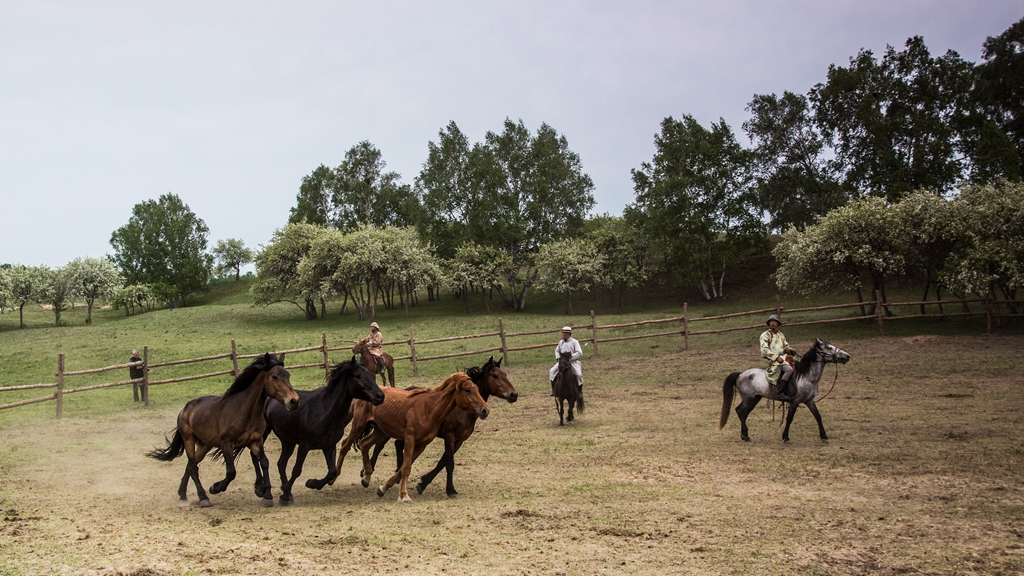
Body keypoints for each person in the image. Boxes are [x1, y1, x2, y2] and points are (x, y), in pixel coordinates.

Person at [760, 314, 798, 401]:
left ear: (778, 324)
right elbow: (764, 350)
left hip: (784, 358)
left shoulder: (781, 335)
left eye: (774, 321)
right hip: (775, 361)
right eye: (771, 321)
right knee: (789, 370)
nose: (772, 323)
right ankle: (779, 393)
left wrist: (790, 350)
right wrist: (776, 358)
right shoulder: (765, 335)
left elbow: (785, 348)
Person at [549, 326, 583, 399]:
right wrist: (558, 358)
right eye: (562, 333)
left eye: (564, 333)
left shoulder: (575, 342)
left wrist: (570, 358)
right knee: (552, 371)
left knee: (578, 374)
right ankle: (554, 390)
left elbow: (579, 352)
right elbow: (557, 350)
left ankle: (580, 391)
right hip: (562, 362)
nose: (562, 334)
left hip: (572, 361)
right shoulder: (561, 342)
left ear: (568, 334)